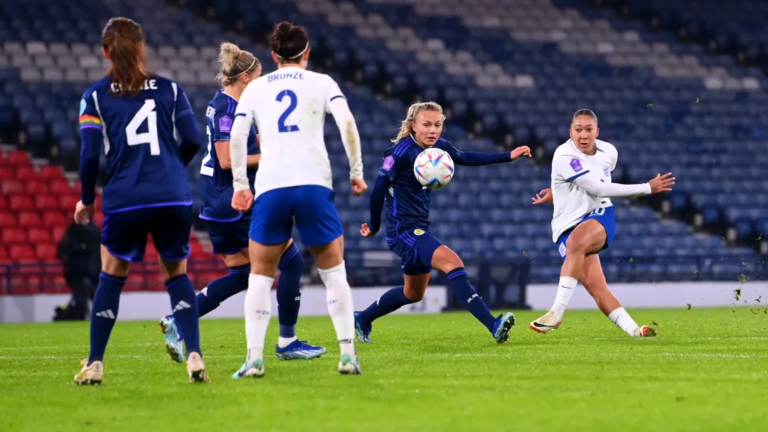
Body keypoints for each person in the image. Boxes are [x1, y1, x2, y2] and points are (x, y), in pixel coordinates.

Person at [158, 42, 325, 363]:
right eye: (260, 78)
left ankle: (178, 320)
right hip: (232, 200)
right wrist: (272, 155)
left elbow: (248, 140)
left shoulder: (228, 104)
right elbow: (225, 158)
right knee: (291, 262)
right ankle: (288, 342)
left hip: (216, 204)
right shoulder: (228, 109)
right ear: (246, 77)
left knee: (243, 274)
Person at [229, 22, 366, 377]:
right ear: (307, 53)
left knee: (259, 277)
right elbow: (347, 123)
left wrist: (241, 184)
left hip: (271, 186)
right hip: (312, 185)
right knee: (334, 273)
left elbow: (238, 134)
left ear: (274, 55)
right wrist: (356, 171)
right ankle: (348, 355)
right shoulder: (322, 82)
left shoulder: (255, 88)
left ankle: (254, 359)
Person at [74, 17, 206, 385]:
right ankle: (194, 354)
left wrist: (86, 199)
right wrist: (171, 170)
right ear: (142, 47)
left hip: (126, 198)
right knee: (177, 276)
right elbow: (194, 139)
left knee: (111, 276)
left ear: (105, 51)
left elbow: (88, 157)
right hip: (172, 197)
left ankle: (95, 362)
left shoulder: (95, 96)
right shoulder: (171, 90)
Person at [356, 101, 530, 344]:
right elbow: (377, 191)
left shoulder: (439, 146)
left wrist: (507, 156)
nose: (433, 130)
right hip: (403, 231)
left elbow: (464, 157)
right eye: (426, 125)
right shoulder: (399, 153)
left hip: (419, 228)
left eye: (437, 125)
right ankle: (493, 324)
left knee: (413, 293)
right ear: (412, 126)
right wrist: (374, 226)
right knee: (453, 262)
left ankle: (362, 318)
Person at [529, 109, 674, 337]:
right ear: (571, 132)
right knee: (597, 289)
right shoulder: (564, 155)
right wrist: (559, 192)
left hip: (599, 214)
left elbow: (599, 186)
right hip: (566, 227)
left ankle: (556, 313)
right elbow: (591, 185)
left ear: (598, 131)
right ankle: (635, 331)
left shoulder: (609, 152)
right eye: (578, 130)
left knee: (576, 244)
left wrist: (646, 188)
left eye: (588, 129)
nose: (583, 135)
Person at [54, 220, 101, 321]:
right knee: (91, 294)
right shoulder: (93, 231)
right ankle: (97, 316)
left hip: (80, 269)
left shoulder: (72, 232)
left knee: (84, 294)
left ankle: (82, 315)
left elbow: (61, 252)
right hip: (88, 269)